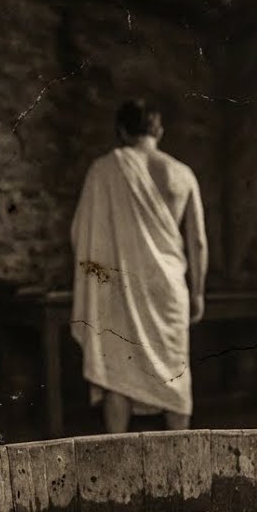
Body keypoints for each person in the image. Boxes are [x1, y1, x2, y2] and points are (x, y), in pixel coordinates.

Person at [70, 99, 208, 434]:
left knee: (118, 376)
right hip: (169, 290)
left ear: (121, 131)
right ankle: (183, 463)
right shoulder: (182, 174)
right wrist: (199, 294)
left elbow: (81, 234)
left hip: (121, 289)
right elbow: (199, 243)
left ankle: (118, 463)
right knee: (175, 377)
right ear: (159, 130)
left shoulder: (103, 169)